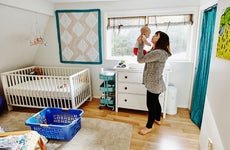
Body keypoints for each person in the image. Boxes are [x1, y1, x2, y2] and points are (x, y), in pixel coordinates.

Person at [137, 31, 172, 135]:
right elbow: (148, 55)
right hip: (156, 83)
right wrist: (147, 43)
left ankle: (149, 127)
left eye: (156, 35)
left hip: (154, 84)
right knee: (156, 102)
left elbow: (140, 59)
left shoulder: (158, 53)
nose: (153, 36)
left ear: (161, 40)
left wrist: (140, 44)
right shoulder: (157, 51)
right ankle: (157, 118)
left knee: (151, 105)